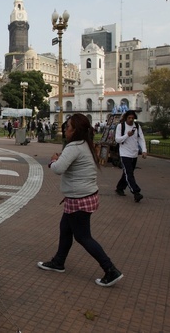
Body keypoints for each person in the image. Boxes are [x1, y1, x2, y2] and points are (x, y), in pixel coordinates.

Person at [38, 113, 124, 287]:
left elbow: (58, 168)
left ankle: (110, 269)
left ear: (75, 130)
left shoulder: (74, 147)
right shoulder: (85, 144)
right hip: (83, 196)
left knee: (83, 237)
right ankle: (59, 261)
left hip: (79, 198)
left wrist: (53, 161)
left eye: (67, 126)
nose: (65, 129)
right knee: (65, 229)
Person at [114, 110, 147, 202]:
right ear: (126, 118)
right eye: (129, 118)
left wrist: (144, 150)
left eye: (132, 118)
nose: (131, 120)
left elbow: (141, 139)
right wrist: (126, 135)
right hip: (124, 153)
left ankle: (120, 187)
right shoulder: (121, 126)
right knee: (129, 173)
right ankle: (136, 192)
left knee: (127, 173)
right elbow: (117, 140)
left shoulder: (137, 126)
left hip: (134, 153)